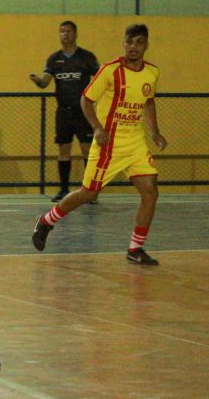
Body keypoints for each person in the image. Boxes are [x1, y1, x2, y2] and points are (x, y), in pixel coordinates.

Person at [33, 24, 166, 266]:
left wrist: (155, 132)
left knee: (150, 191)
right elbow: (86, 99)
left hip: (135, 142)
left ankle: (135, 248)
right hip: (109, 143)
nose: (133, 47)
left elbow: (148, 102)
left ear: (146, 45)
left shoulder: (152, 73)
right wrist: (97, 127)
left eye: (139, 42)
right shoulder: (110, 70)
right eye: (129, 42)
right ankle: (46, 221)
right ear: (124, 44)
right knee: (89, 193)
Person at [30, 21, 100, 202]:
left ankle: (89, 191)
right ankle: (63, 190)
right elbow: (45, 82)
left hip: (83, 111)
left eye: (68, 31)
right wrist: (38, 81)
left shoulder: (86, 57)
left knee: (87, 150)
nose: (65, 35)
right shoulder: (54, 59)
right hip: (63, 112)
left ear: (75, 34)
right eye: (62, 31)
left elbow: (100, 78)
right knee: (64, 150)